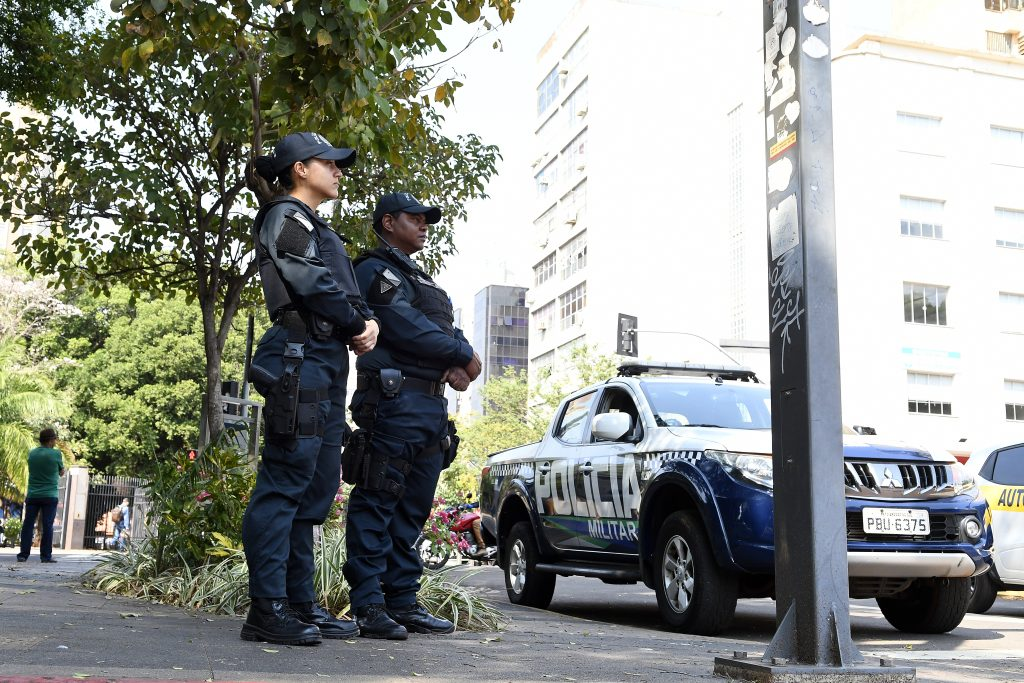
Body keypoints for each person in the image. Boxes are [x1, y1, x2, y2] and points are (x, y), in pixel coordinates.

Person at [240, 132, 380, 646]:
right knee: (283, 485)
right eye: (330, 163)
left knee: (313, 490)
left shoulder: (316, 224)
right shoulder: (286, 216)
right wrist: (355, 322)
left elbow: (334, 285)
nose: (340, 171)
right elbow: (309, 280)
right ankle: (266, 609)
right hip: (300, 356)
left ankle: (299, 604)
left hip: (323, 360)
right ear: (300, 169)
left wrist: (358, 323)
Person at [343, 192, 481, 640]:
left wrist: (464, 361)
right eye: (415, 218)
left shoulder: (422, 279)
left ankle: (402, 601)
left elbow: (444, 329)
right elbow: (406, 327)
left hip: (429, 407)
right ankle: (367, 605)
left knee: (413, 511)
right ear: (388, 222)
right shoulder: (374, 270)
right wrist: (465, 355)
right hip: (394, 401)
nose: (425, 225)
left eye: (427, 220)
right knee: (378, 501)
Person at [17, 428, 64, 563]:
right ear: (50, 440)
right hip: (49, 495)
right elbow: (61, 472)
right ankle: (45, 556)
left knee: (28, 524)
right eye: (55, 439)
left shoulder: (32, 453)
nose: (55, 441)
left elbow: (33, 470)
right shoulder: (56, 454)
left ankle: (23, 555)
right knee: (48, 525)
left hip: (33, 494)